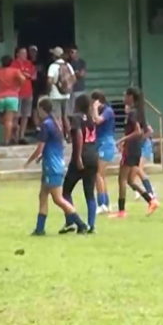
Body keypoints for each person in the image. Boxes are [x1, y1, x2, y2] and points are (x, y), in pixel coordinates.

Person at [24, 98, 88, 235]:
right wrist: (43, 156)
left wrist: (29, 161)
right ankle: (39, 229)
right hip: (54, 164)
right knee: (43, 195)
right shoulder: (55, 123)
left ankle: (81, 224)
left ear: (42, 109)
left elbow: (39, 148)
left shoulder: (46, 125)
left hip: (52, 167)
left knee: (58, 199)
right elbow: (55, 146)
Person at [110, 88, 160, 219]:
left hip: (131, 150)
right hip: (135, 149)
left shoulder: (133, 113)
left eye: (125, 95)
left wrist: (123, 140)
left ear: (130, 97)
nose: (123, 97)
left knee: (122, 179)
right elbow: (145, 131)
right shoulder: (139, 112)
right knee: (131, 181)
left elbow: (138, 132)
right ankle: (151, 200)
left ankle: (121, 211)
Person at [59, 94, 98, 234]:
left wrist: (78, 157)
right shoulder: (92, 119)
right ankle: (92, 225)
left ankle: (71, 221)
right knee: (90, 194)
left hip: (82, 157)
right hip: (93, 157)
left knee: (66, 191)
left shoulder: (76, 117)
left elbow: (79, 136)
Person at [90, 90, 116, 214]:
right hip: (100, 143)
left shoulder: (108, 111)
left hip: (106, 144)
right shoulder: (100, 110)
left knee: (98, 174)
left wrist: (94, 108)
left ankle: (101, 203)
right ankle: (106, 203)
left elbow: (98, 120)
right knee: (101, 175)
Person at [45, 47, 75, 140]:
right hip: (66, 95)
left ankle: (60, 136)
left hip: (55, 95)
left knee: (57, 117)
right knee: (65, 116)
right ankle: (69, 135)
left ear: (54, 56)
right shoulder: (68, 65)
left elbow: (49, 81)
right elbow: (74, 79)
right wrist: (68, 88)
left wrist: (49, 90)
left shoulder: (52, 66)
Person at [11, 46, 37, 142]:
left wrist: (27, 75)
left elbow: (34, 76)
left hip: (28, 92)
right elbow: (13, 76)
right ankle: (15, 137)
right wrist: (25, 75)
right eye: (22, 53)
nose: (25, 55)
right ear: (17, 54)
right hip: (17, 93)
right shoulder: (13, 64)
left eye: (25, 53)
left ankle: (22, 136)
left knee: (25, 115)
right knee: (16, 116)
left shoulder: (29, 64)